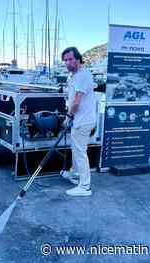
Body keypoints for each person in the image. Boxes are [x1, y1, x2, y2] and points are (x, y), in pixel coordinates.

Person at [60, 47, 96, 196]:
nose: (67, 63)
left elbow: (76, 102)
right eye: (65, 60)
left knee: (80, 152)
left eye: (70, 59)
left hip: (82, 121)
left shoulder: (82, 75)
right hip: (80, 119)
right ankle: (75, 175)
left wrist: (68, 117)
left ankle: (85, 186)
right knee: (76, 149)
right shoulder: (75, 75)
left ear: (78, 59)